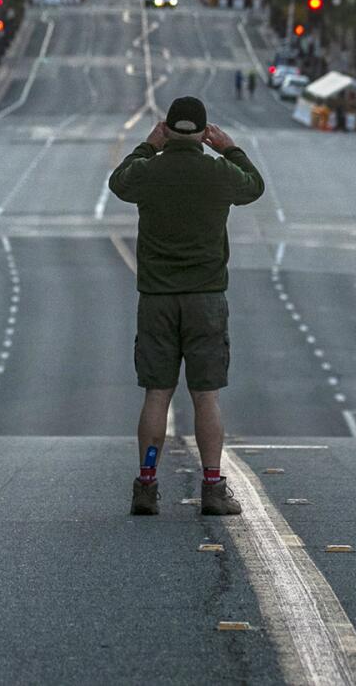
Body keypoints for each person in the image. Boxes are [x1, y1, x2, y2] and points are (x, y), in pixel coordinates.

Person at [107, 95, 265, 517]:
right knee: (205, 397)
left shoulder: (149, 172)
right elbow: (255, 186)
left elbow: (118, 182)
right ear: (203, 132)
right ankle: (213, 487)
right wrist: (229, 148)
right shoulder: (218, 173)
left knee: (156, 395)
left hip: (156, 299)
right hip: (206, 298)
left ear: (168, 130)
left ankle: (147, 483)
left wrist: (148, 146)